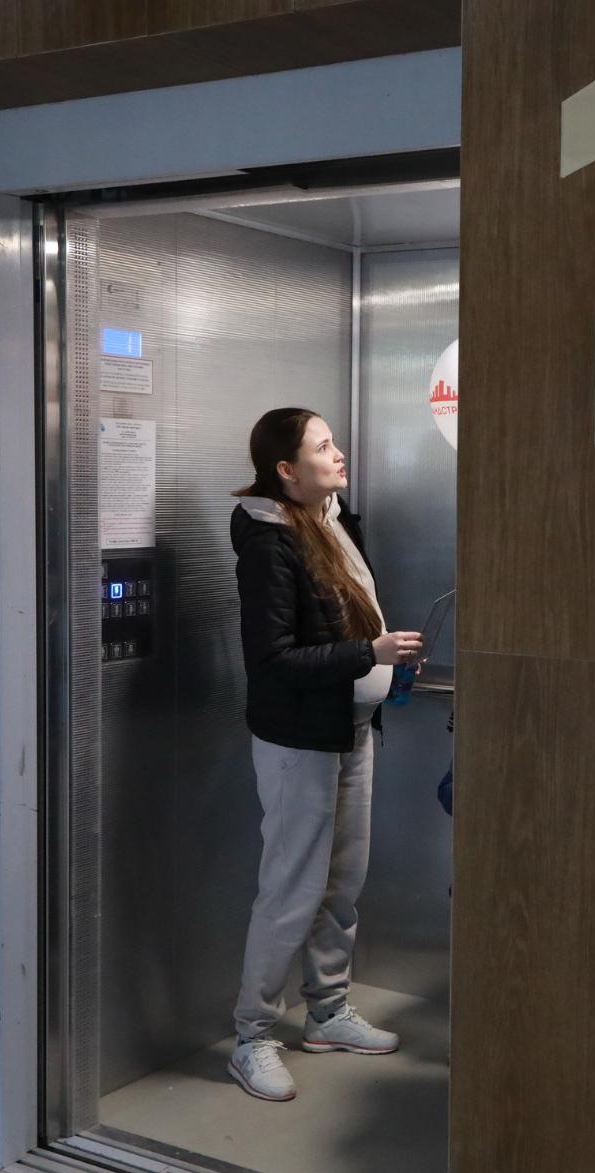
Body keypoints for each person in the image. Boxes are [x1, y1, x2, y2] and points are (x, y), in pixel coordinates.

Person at [226, 407, 423, 1103]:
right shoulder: (268, 542)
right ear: (286, 470)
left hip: (350, 727)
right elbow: (273, 660)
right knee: (292, 890)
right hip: (298, 740)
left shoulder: (332, 518)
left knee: (342, 881)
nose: (338, 454)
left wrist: (378, 665)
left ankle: (328, 1012)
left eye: (335, 441)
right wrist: (369, 653)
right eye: (323, 446)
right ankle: (251, 1036)